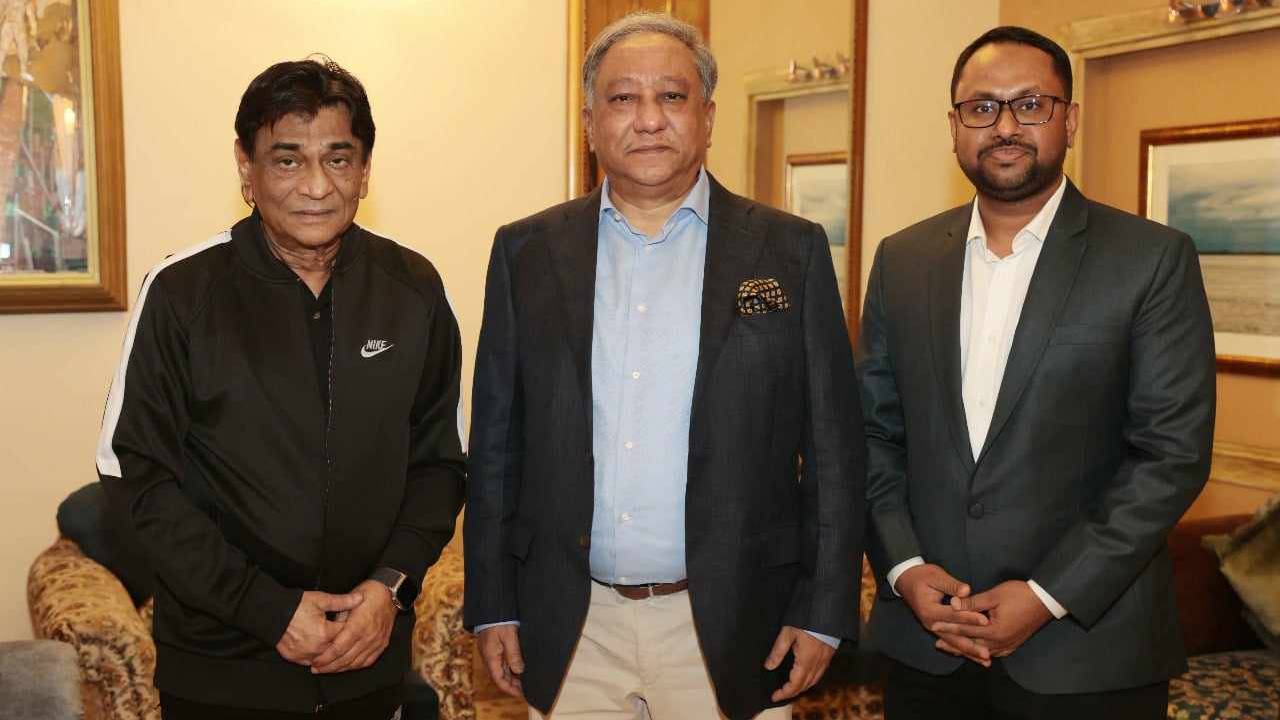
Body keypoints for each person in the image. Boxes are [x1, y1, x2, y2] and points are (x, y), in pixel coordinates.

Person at [464, 11, 864, 720]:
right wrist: (492, 600)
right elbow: (496, 445)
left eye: (672, 96)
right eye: (623, 98)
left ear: (707, 117)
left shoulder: (790, 251)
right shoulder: (526, 253)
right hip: (573, 627)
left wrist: (825, 609)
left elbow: (834, 449)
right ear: (590, 122)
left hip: (735, 626)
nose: (648, 119)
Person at [857, 26, 1216, 720]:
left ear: (1069, 120)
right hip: (929, 646)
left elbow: (1170, 455)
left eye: (1030, 104)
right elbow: (873, 434)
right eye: (981, 107)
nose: (1005, 126)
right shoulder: (902, 260)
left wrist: (1047, 595)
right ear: (955, 126)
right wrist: (903, 568)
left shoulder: (1150, 259)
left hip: (1087, 656)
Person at [95, 57, 466, 719]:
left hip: (366, 662)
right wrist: (266, 609)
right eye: (287, 160)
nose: (317, 186)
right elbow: (135, 477)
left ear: (365, 169)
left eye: (339, 158)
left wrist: (389, 586)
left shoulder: (413, 287)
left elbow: (440, 462)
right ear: (246, 168)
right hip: (221, 671)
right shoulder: (182, 293)